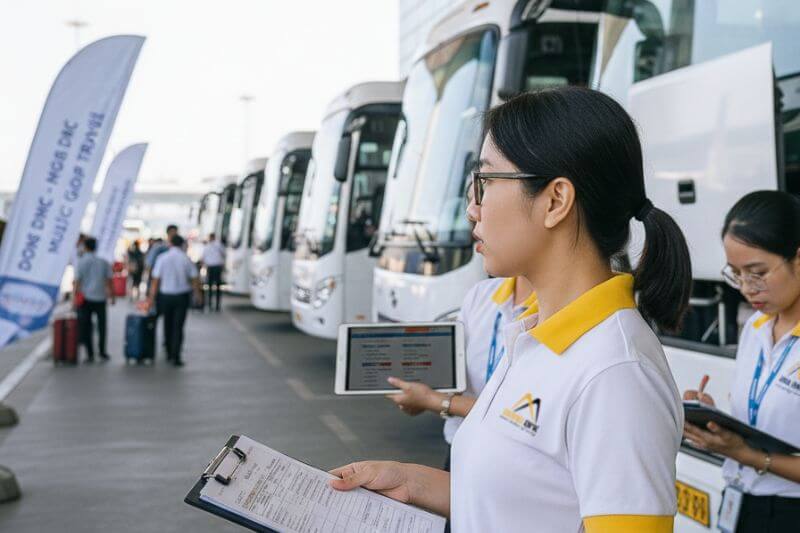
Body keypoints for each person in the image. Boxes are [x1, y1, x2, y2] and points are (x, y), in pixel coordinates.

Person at [330, 87, 692, 532]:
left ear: (556, 200)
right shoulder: (533, 331)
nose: (472, 208)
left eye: (485, 182)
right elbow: (522, 501)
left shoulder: (615, 372)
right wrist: (409, 482)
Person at [387, 183, 537, 471]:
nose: (474, 225)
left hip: (513, 464)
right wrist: (421, 393)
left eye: (482, 213)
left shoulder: (560, 313)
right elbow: (452, 374)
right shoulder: (480, 296)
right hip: (461, 449)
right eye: (472, 215)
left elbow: (523, 419)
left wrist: (437, 401)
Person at [683, 191, 800, 532]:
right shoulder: (756, 327)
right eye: (736, 274)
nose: (747, 288)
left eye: (757, 272)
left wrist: (747, 456)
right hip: (742, 504)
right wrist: (714, 420)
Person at [147, 235, 201, 367]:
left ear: (170, 244)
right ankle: (176, 356)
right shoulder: (186, 259)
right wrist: (198, 295)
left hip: (165, 296)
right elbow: (194, 278)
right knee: (178, 326)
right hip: (182, 297)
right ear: (182, 245)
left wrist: (151, 298)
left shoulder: (162, 258)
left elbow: (155, 280)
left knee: (167, 323)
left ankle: (169, 351)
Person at [74, 237, 115, 362]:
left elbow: (77, 282)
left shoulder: (81, 262)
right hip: (100, 298)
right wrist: (112, 296)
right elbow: (109, 281)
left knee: (86, 327)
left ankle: (90, 354)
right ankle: (102, 352)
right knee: (102, 326)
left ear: (85, 247)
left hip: (85, 299)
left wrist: (74, 299)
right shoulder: (103, 262)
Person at [200, 232, 225, 312]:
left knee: (210, 287)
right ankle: (217, 305)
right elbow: (224, 254)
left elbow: (203, 258)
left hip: (211, 267)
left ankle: (211, 304)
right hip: (217, 267)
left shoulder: (207, 246)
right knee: (217, 287)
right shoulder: (219, 245)